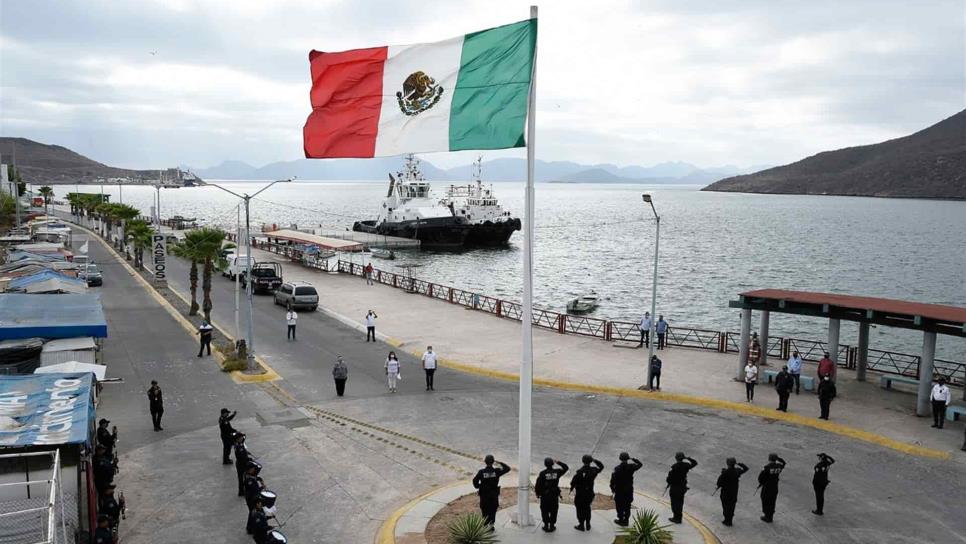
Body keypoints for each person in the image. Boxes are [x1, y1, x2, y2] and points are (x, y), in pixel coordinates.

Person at [472, 455, 510, 528]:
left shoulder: (481, 472)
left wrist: (479, 486)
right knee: (493, 510)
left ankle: (485, 525)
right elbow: (507, 468)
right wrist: (499, 463)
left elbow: (474, 481)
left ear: (485, 462)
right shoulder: (497, 471)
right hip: (493, 495)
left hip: (484, 495)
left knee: (485, 510)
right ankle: (491, 526)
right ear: (493, 462)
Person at [569, 454, 604, 531]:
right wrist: (594, 460)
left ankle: (581, 524)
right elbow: (601, 466)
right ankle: (588, 524)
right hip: (589, 493)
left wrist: (572, 488)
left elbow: (572, 483)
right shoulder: (593, 470)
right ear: (590, 461)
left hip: (580, 494)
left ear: (583, 461)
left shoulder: (579, 472)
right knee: (587, 508)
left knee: (580, 509)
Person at [535, 457, 568, 532]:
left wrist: (537, 493)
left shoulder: (543, 473)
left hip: (545, 496)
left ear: (545, 464)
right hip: (554, 495)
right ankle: (552, 526)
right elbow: (566, 468)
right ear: (553, 464)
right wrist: (558, 462)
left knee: (544, 510)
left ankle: (546, 526)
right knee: (554, 510)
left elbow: (538, 485)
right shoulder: (557, 472)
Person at [610, 452, 643, 526]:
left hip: (619, 490)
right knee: (627, 505)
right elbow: (640, 464)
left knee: (619, 506)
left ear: (620, 459)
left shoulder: (617, 469)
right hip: (628, 490)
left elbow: (613, 481)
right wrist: (632, 459)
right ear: (627, 458)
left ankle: (621, 519)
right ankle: (626, 520)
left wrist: (612, 489)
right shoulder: (631, 467)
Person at [665, 452, 697, 524]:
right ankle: (679, 517)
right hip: (682, 487)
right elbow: (695, 463)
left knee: (674, 503)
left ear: (676, 458)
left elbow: (669, 479)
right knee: (680, 502)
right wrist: (688, 458)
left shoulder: (674, 467)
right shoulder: (686, 465)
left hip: (675, 487)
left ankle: (676, 518)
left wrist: (668, 481)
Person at [715, 457, 748, 526]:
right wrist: (740, 464)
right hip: (734, 493)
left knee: (726, 506)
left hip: (725, 493)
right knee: (732, 506)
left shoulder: (725, 473)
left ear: (727, 464)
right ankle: (730, 520)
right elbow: (746, 468)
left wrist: (723, 473)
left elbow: (719, 483)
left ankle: (727, 520)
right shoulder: (737, 471)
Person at [757, 453, 786, 523]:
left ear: (769, 459)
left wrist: (761, 483)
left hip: (767, 487)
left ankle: (767, 516)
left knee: (765, 500)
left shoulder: (766, 467)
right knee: (772, 501)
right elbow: (784, 463)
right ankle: (770, 516)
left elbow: (760, 478)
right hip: (774, 486)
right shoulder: (779, 466)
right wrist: (779, 459)